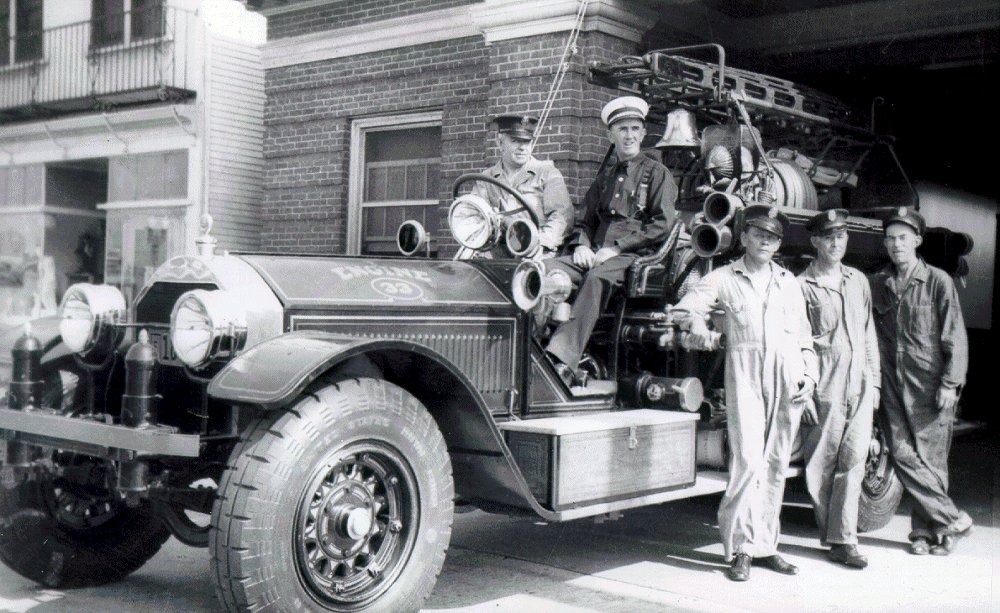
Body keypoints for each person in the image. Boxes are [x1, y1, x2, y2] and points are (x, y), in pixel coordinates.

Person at [673, 205, 817, 582]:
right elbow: (685, 309)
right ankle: (740, 549)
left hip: (788, 377)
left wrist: (810, 375)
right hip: (746, 376)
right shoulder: (724, 277)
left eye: (772, 237)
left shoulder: (789, 282)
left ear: (778, 244)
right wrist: (698, 323)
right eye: (758, 235)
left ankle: (765, 545)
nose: (765, 242)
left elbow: (805, 337)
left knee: (776, 464)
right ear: (744, 238)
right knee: (748, 461)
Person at [544, 96, 676, 383]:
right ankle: (533, 341)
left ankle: (560, 360)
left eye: (634, 129)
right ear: (610, 135)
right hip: (594, 252)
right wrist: (581, 244)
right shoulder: (605, 177)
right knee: (542, 268)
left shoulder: (657, 174)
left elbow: (662, 224)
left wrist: (616, 249)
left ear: (643, 133)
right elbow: (586, 219)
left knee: (596, 278)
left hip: (632, 256)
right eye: (622, 129)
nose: (629, 135)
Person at [871, 206, 971, 556]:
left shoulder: (938, 282)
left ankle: (927, 534)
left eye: (902, 238)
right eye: (890, 238)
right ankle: (952, 520)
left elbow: (955, 336)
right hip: (892, 385)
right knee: (901, 453)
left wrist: (950, 383)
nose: (896, 244)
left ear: (916, 240)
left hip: (929, 385)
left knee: (930, 461)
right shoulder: (879, 283)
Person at [798, 209, 880, 569]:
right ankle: (832, 537)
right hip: (825, 385)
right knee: (821, 464)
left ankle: (845, 540)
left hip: (859, 381)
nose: (836, 243)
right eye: (829, 237)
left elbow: (868, 332)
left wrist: (874, 382)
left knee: (855, 460)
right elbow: (797, 342)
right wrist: (804, 391)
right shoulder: (802, 286)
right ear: (815, 241)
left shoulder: (857, 280)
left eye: (842, 236)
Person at [472, 114, 573, 259]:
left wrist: (541, 244)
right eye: (515, 141)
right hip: (499, 251)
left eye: (527, 142)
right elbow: (474, 217)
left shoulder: (547, 173)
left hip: (539, 252)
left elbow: (562, 216)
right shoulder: (486, 179)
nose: (522, 148)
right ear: (500, 143)